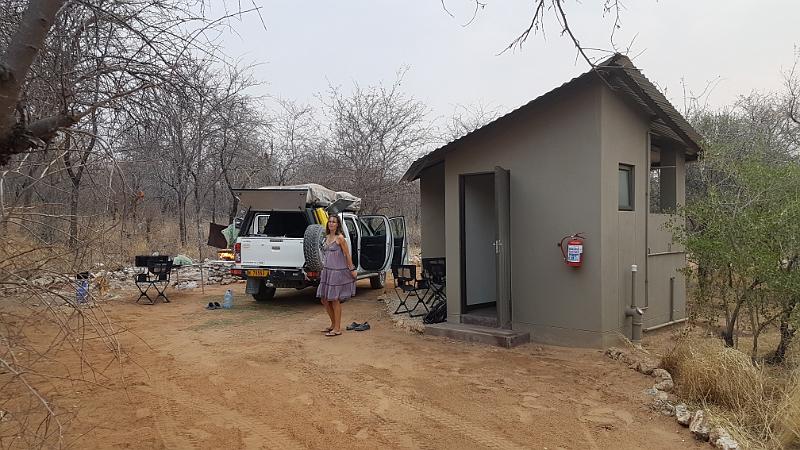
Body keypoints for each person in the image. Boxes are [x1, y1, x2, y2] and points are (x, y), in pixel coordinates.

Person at [317, 215, 357, 336]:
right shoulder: (326, 237)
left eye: (334, 222)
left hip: (337, 272)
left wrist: (352, 269)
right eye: (329, 222)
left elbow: (347, 255)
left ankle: (337, 328)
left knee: (334, 299)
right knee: (324, 299)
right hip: (327, 272)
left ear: (338, 225)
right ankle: (333, 324)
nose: (331, 224)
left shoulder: (340, 238)